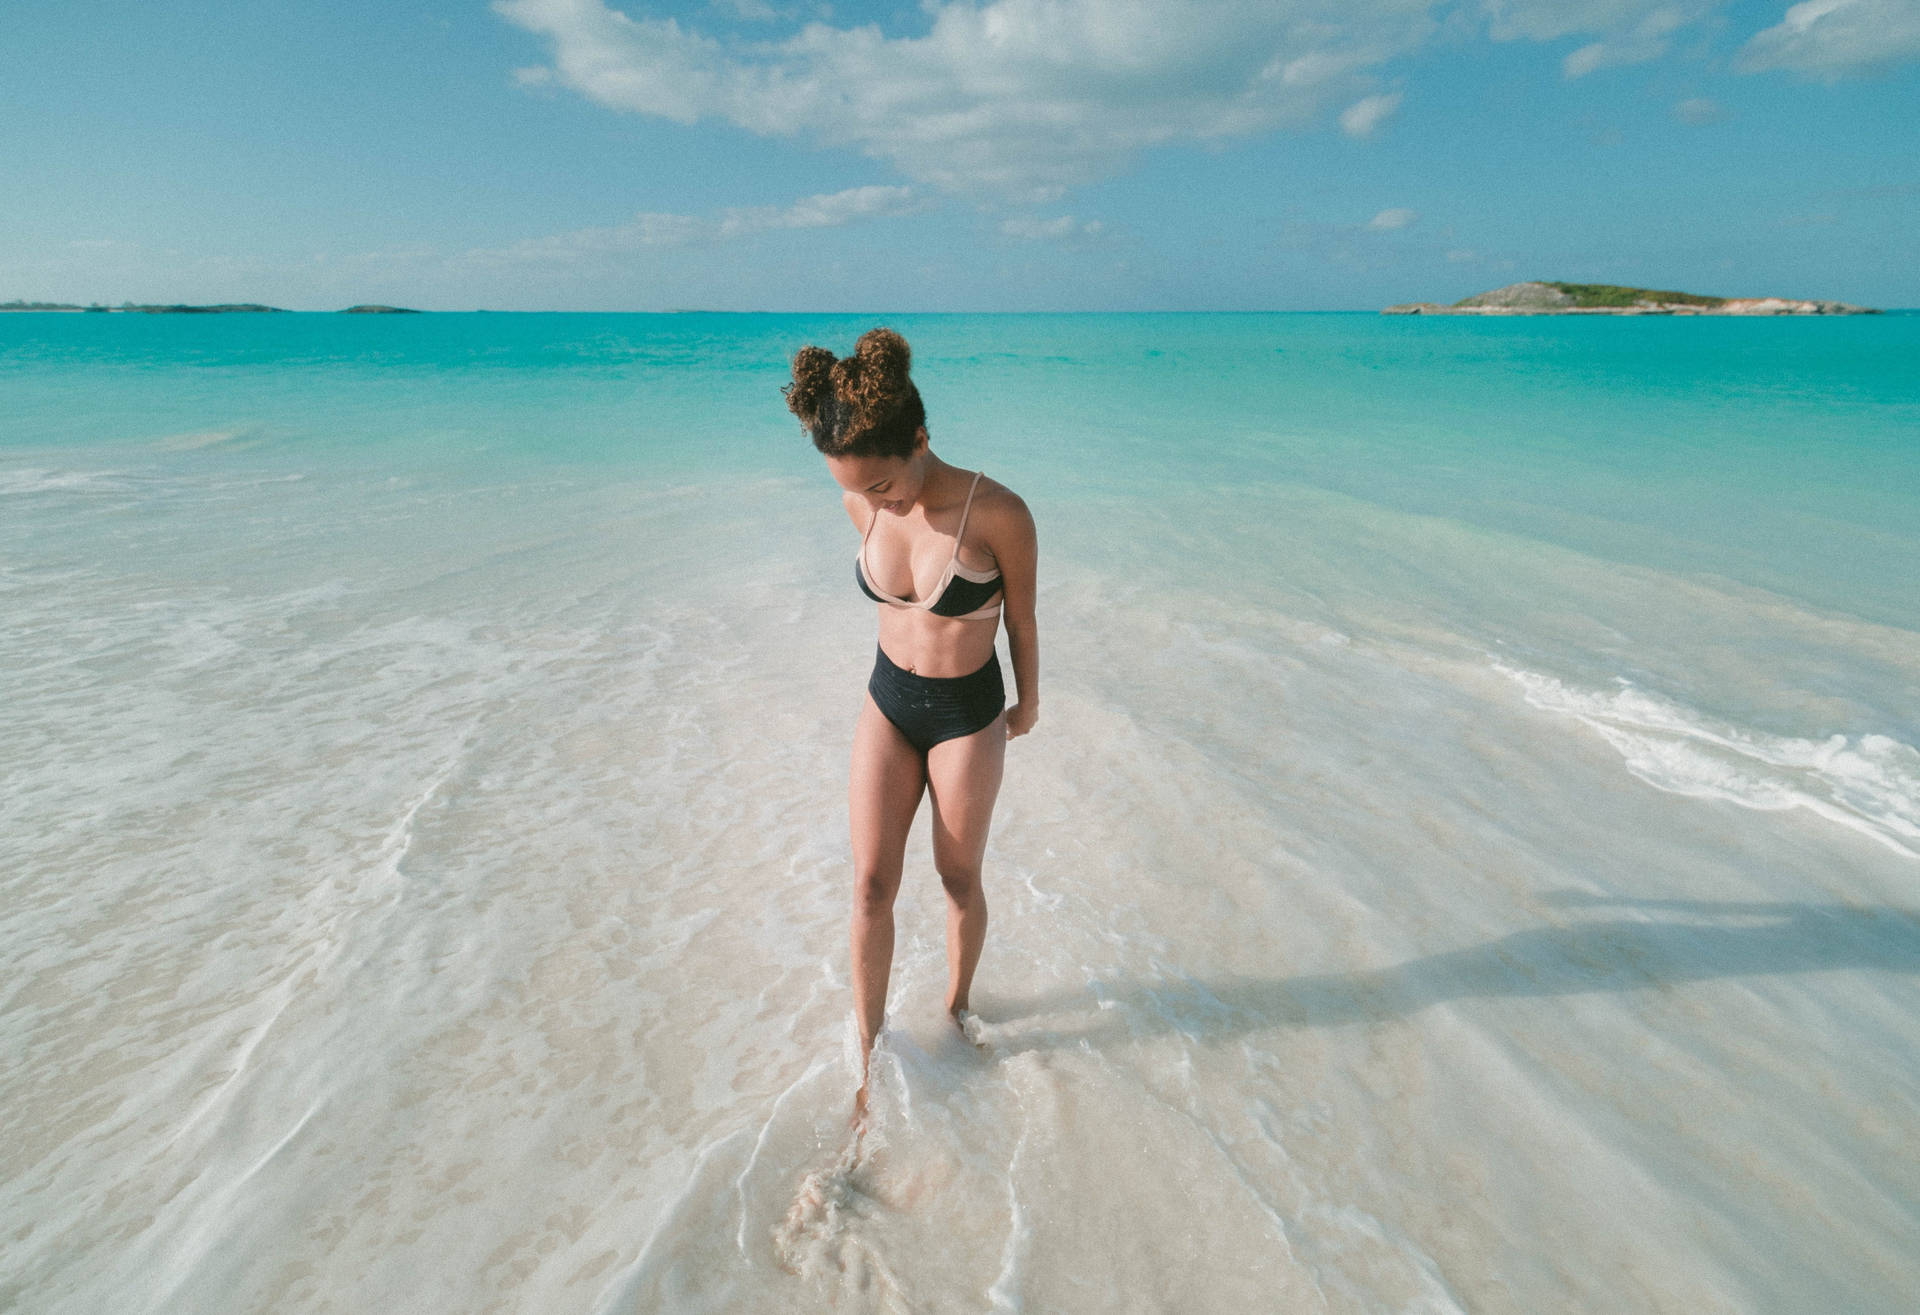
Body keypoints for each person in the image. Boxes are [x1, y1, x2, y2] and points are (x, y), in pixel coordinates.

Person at [784, 327, 1039, 1117]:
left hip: (967, 713)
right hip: (888, 700)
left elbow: (1022, 620)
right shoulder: (856, 494)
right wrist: (869, 497)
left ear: (920, 437)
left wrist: (1029, 702)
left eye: (886, 485)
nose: (877, 502)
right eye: (859, 488)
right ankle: (868, 1061)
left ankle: (957, 1010)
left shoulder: (998, 512)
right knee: (869, 885)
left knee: (958, 877)